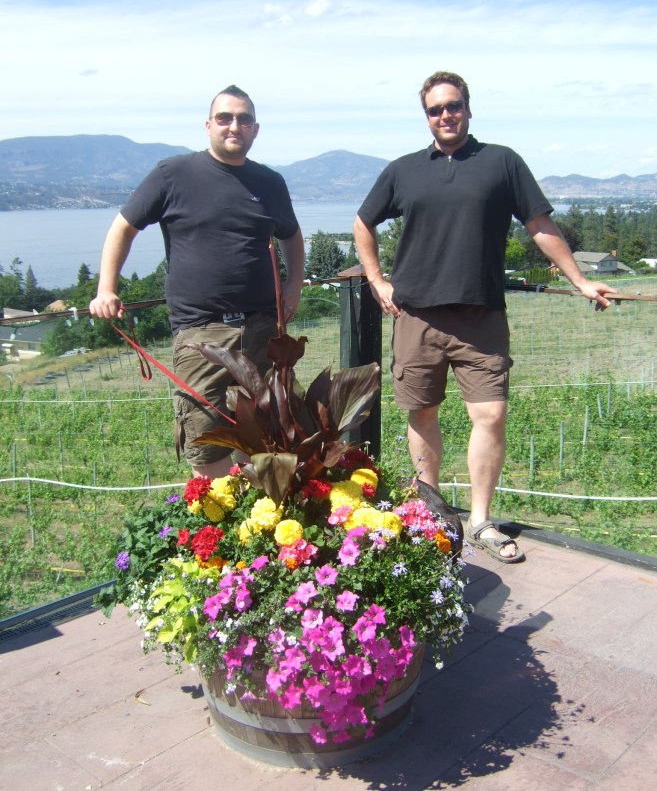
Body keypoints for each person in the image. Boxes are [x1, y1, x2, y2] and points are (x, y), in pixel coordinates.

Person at [354, 70, 616, 563]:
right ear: (426, 116)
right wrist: (376, 279)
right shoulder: (403, 170)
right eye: (435, 109)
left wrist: (579, 280)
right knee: (422, 412)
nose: (445, 115)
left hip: (481, 317)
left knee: (490, 415)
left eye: (453, 106)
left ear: (468, 109)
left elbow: (539, 224)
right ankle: (430, 517)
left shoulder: (502, 162)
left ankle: (480, 522)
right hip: (418, 317)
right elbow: (363, 222)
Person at [90, 85, 305, 478]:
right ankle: (219, 533)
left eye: (243, 119)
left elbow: (291, 235)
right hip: (200, 332)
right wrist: (107, 288)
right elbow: (123, 228)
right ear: (208, 126)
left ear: (256, 129)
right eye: (224, 118)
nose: (233, 126)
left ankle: (256, 530)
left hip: (262, 329)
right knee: (206, 441)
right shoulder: (173, 174)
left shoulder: (270, 182)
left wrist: (293, 287)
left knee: (267, 440)